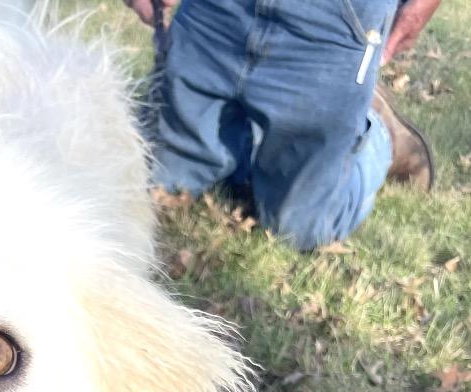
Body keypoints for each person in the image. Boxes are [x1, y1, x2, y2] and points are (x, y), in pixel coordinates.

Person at [126, 0, 440, 249]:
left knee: (301, 228)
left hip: (338, 17)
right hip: (215, 12)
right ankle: (249, 137)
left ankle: (379, 132)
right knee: (155, 185)